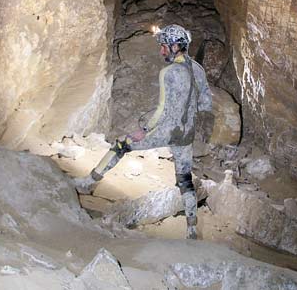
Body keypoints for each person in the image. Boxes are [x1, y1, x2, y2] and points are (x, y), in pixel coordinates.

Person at [71, 24, 213, 239]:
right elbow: (205, 103)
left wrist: (144, 129)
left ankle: (88, 183)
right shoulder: (198, 70)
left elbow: (161, 109)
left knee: (121, 145)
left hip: (167, 130)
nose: (161, 51)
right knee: (184, 179)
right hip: (187, 134)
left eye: (164, 47)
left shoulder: (168, 72)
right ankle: (192, 229)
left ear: (175, 46)